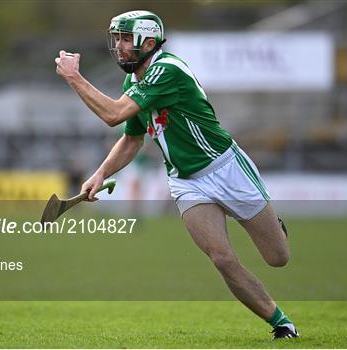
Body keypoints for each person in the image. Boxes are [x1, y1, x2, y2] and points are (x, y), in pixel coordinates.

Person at [54, 10, 299, 340]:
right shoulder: (135, 81)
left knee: (278, 258)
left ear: (149, 43)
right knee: (223, 258)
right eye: (117, 39)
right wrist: (100, 173)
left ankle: (275, 228)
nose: (119, 46)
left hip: (226, 168)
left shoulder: (166, 70)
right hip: (186, 181)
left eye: (126, 39)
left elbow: (113, 115)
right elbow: (131, 137)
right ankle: (281, 323)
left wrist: (74, 78)